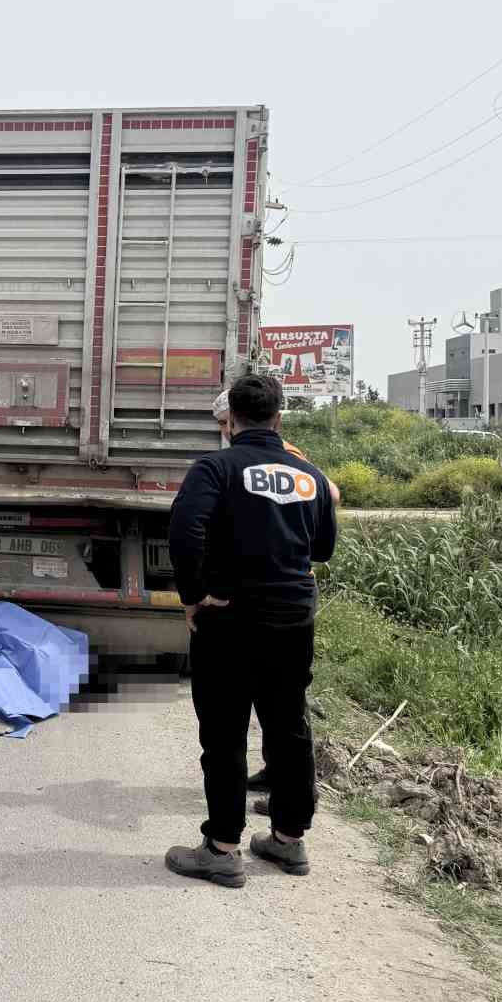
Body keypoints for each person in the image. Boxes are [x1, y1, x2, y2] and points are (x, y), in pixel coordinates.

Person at [165, 374, 337, 888]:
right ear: (279, 417)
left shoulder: (214, 469)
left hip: (230, 618)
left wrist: (194, 596)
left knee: (224, 731)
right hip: (293, 617)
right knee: (288, 726)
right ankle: (288, 840)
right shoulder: (308, 474)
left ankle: (222, 848)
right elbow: (323, 548)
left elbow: (183, 531)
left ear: (231, 420)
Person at [211, 386, 339, 795]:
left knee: (284, 707)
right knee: (280, 702)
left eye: (223, 423)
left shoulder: (286, 455)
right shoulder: (250, 455)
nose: (222, 431)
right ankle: (281, 784)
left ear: (235, 418)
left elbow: (329, 492)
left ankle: (290, 786)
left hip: (283, 591)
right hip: (291, 596)